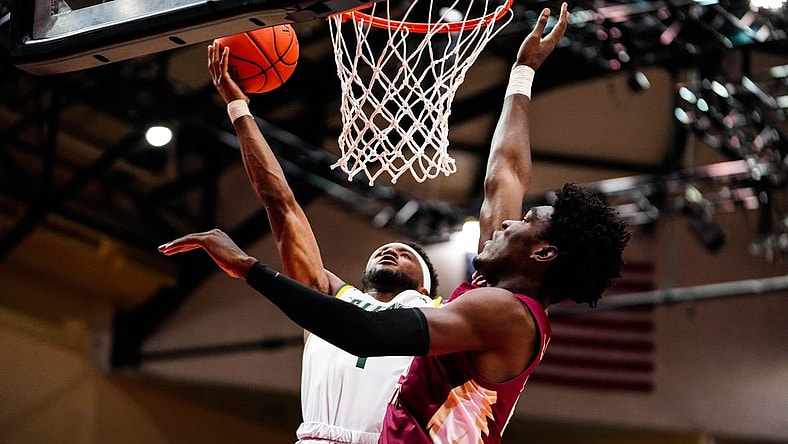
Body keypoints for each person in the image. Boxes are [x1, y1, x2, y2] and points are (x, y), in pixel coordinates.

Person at [161, 3, 631, 442]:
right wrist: (523, 71)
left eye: (525, 221)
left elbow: (365, 332)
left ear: (544, 252)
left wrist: (247, 266)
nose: (508, 223)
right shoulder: (494, 291)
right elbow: (505, 173)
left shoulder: (503, 315)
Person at [206, 36, 442, 444]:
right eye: (387, 247)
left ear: (424, 288)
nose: (391, 248)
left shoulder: (438, 320)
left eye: (407, 255)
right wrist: (237, 106)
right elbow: (281, 203)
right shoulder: (330, 301)